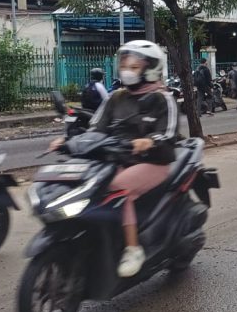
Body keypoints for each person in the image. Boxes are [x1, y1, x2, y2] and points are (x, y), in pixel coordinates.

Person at [50, 40, 178, 278]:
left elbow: (169, 133)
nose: (127, 70)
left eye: (134, 66)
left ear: (150, 68)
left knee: (117, 189)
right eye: (125, 64)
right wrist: (69, 142)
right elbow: (96, 129)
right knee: (86, 184)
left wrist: (151, 140)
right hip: (117, 159)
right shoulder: (116, 98)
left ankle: (132, 248)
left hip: (153, 162)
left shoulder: (163, 98)